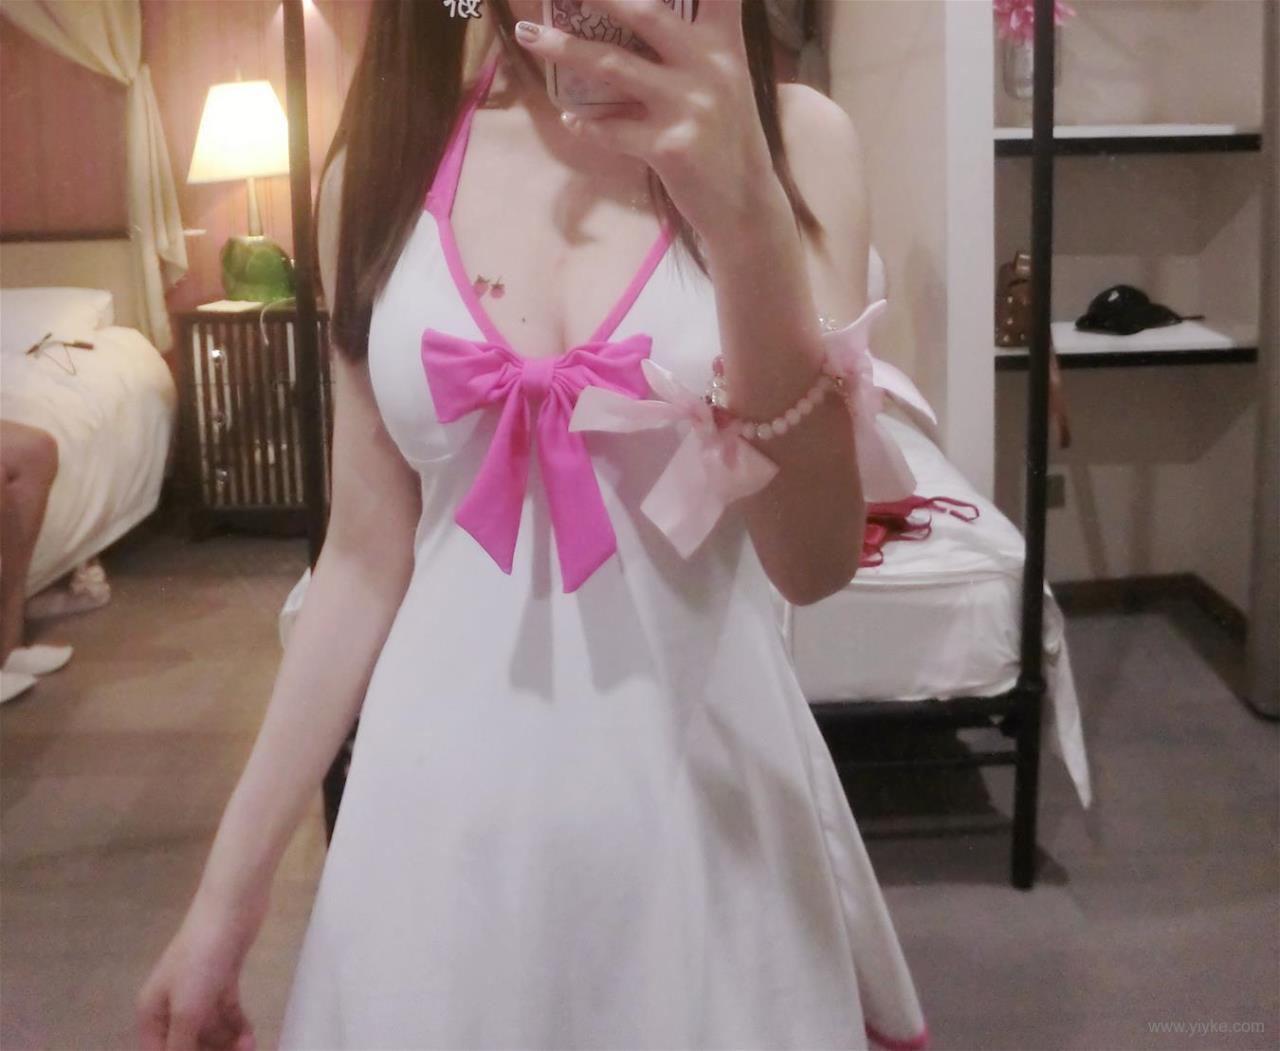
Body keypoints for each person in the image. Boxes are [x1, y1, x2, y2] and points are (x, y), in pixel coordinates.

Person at [137, 2, 927, 1048]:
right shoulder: (377, 174)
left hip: (702, 817)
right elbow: (363, 559)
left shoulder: (800, 143)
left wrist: (744, 219)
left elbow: (813, 559)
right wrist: (226, 899)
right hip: (432, 822)